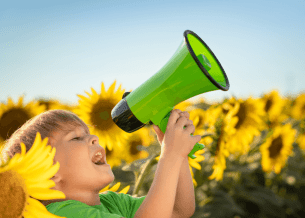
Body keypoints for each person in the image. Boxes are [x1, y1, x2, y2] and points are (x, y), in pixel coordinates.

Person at [3, 109, 200, 218]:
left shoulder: (112, 202)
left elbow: (177, 210)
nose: (94, 138)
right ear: (49, 172)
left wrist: (178, 153)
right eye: (76, 138)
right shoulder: (61, 214)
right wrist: (171, 155)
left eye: (89, 134)